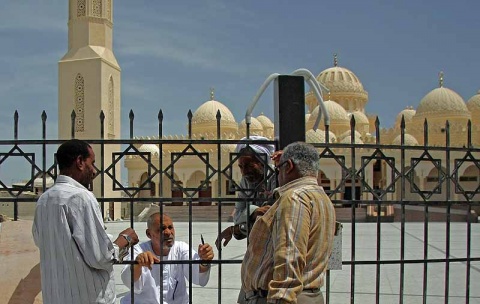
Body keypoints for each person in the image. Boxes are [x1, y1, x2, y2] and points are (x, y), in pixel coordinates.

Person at [32, 139, 139, 304]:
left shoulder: (45, 199)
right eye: (92, 163)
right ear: (80, 162)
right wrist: (124, 240)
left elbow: (42, 241)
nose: (94, 171)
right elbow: (100, 256)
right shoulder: (81, 197)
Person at [241, 142, 336, 304]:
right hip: (307, 294)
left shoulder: (295, 198)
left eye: (279, 169)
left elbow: (290, 258)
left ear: (289, 166)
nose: (277, 175)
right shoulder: (323, 199)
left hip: (286, 298)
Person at [120, 212, 214, 304]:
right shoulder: (139, 250)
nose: (168, 233)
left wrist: (205, 260)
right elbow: (129, 280)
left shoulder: (181, 248)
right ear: (149, 234)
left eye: (170, 227)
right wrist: (138, 264)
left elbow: (196, 272)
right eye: (162, 229)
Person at [216, 136, 276, 249]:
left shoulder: (276, 176)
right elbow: (237, 217)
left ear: (263, 162)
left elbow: (270, 218)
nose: (244, 172)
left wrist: (237, 228)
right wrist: (254, 211)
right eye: (241, 167)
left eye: (249, 166)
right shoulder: (245, 181)